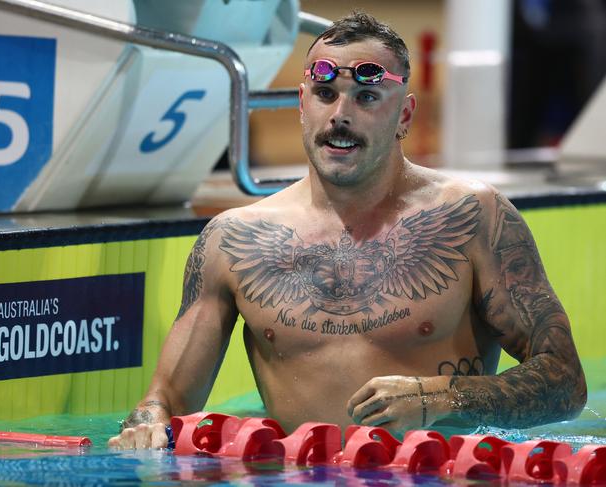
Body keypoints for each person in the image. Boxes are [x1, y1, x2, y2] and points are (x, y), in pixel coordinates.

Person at [108, 11, 586, 449]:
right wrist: (147, 426)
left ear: (403, 115)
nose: (341, 114)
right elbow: (166, 403)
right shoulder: (232, 240)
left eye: (366, 97)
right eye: (325, 94)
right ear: (302, 103)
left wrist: (440, 397)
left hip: (438, 475)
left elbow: (565, 382)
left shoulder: (472, 217)